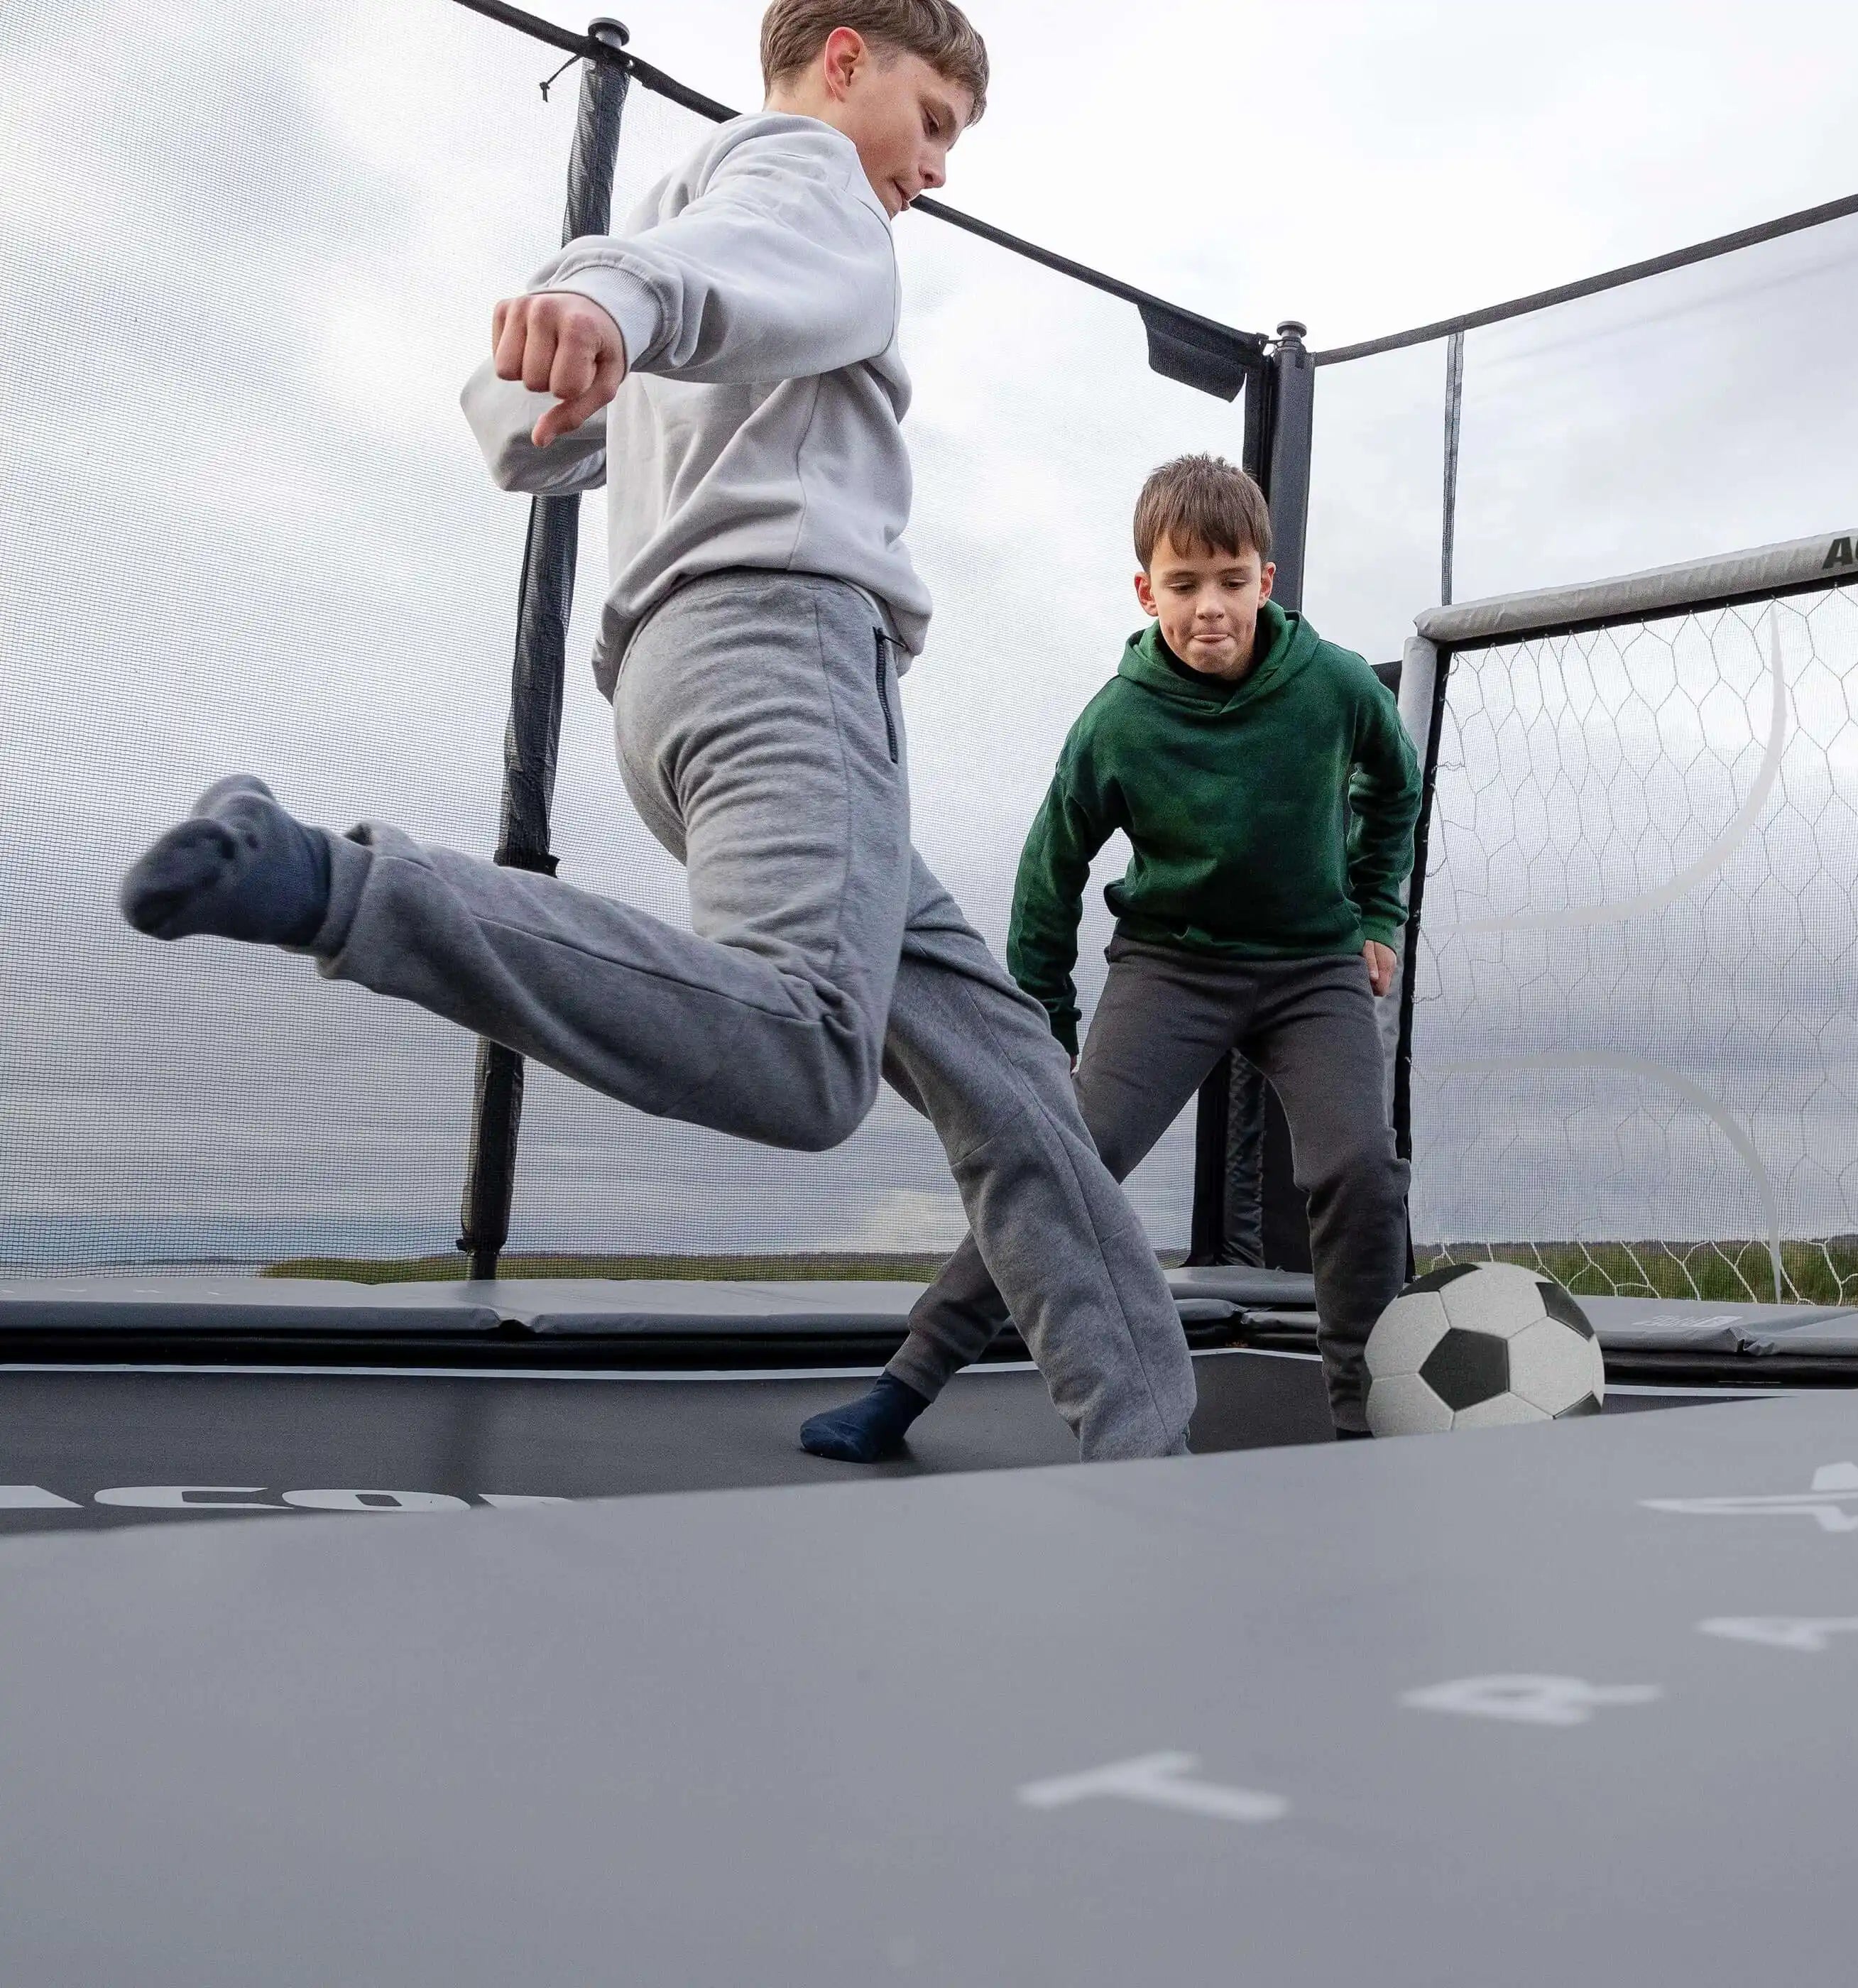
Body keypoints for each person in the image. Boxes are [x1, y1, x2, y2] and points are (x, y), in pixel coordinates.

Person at [115, 0, 1197, 1463]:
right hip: (786, 664)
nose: (937, 171)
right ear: (843, 60)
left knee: (997, 1059)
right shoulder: (805, 178)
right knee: (811, 1053)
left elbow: (515, 426)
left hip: (695, 689)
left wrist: (596, 321)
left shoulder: (697, 209)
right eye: (933, 122)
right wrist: (619, 297)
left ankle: (1145, 1436)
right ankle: (340, 885)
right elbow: (716, 267)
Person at [802, 454, 1421, 1460]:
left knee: (1359, 1167)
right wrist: (1043, 1033)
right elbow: (1052, 868)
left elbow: (1394, 787)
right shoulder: (1119, 721)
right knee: (1061, 1160)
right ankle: (908, 1381)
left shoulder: (1335, 687)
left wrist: (1377, 914)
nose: (1209, 608)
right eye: (1184, 586)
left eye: (1231, 581)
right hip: (1172, 968)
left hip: (1312, 970)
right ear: (1147, 591)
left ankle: (1366, 1421)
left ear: (1266, 580)